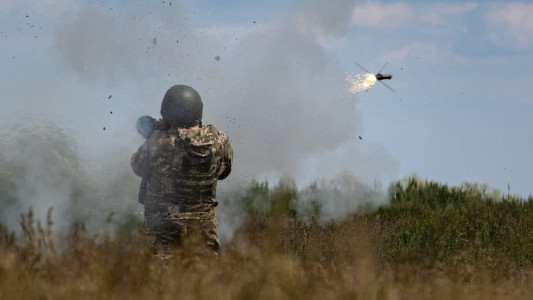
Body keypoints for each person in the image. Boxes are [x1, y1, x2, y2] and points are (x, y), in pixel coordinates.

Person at [131, 85, 233, 257]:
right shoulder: (220, 142)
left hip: (164, 231)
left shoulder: (159, 141)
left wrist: (155, 134)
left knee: (163, 281)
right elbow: (224, 172)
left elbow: (137, 166)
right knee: (205, 280)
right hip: (204, 231)